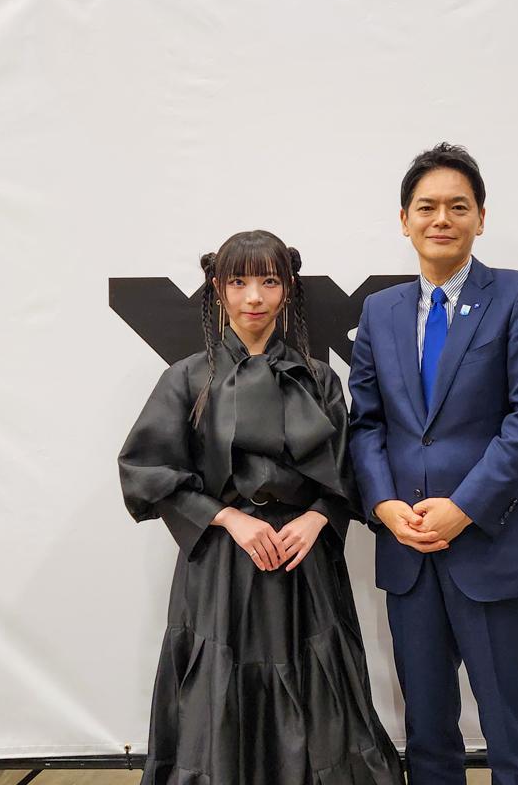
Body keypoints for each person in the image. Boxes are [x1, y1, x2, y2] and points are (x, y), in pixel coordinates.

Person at [118, 230, 404, 785]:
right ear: (217, 289)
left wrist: (317, 518)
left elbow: (350, 470)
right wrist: (228, 518)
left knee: (321, 694)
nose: (254, 297)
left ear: (288, 289)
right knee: (218, 693)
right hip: (221, 565)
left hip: (304, 564)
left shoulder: (319, 378)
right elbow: (146, 471)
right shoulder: (186, 378)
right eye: (239, 282)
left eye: (269, 282)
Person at [348, 143, 518, 785]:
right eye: (427, 207)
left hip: (491, 541)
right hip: (408, 547)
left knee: (508, 722)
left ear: (480, 219)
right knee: (426, 728)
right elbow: (366, 422)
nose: (441, 218)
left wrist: (464, 507)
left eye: (458, 207)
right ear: (404, 220)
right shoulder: (380, 311)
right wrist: (384, 505)